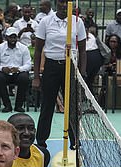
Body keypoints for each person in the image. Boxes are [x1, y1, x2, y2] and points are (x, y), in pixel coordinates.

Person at [32, 0, 86, 149]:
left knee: (72, 106)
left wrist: (81, 74)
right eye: (61, 2)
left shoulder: (77, 21)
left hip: (71, 67)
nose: (64, 5)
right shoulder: (45, 21)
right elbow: (37, 51)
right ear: (56, 4)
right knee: (47, 105)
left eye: (67, 2)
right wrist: (36, 77)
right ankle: (41, 141)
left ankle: (74, 141)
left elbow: (82, 50)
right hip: (51, 66)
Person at [0, 27, 31, 113]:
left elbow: (28, 64)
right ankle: (7, 105)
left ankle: (18, 106)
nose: (13, 39)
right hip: (4, 72)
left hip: (18, 72)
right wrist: (2, 68)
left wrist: (19, 69)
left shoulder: (24, 48)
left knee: (24, 77)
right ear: (6, 37)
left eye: (14, 37)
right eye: (10, 37)